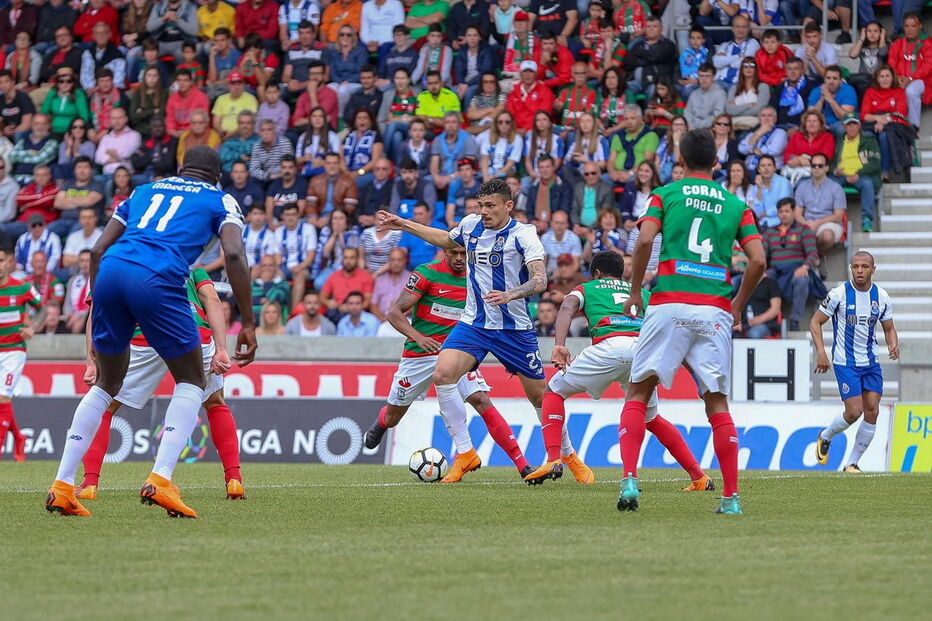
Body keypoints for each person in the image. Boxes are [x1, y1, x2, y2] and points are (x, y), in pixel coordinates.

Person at [45, 146, 256, 518]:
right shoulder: (219, 199)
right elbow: (235, 255)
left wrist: (99, 302)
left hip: (111, 273)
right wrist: (249, 323)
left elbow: (97, 249)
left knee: (105, 386)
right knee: (192, 380)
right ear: (217, 176)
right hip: (158, 279)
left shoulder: (143, 190)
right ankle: (161, 479)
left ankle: (63, 486)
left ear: (181, 168)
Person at [377, 179, 594, 484]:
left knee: (540, 396)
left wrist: (511, 294)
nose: (484, 211)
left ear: (508, 206)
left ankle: (569, 455)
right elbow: (444, 239)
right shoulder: (470, 225)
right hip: (475, 324)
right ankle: (465, 452)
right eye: (480, 205)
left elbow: (540, 279)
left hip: (513, 328)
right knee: (443, 374)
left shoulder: (524, 234)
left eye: (490, 206)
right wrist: (403, 224)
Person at [618, 128, 766, 515]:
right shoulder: (735, 204)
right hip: (714, 309)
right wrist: (737, 304)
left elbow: (644, 240)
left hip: (669, 302)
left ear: (680, 160)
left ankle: (629, 480)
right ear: (717, 162)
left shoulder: (665, 194)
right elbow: (758, 260)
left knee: (639, 393)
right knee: (717, 403)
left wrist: (635, 291)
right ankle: (730, 498)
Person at [529, 250, 715, 489]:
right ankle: (699, 477)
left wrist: (559, 345)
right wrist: (695, 374)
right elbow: (671, 330)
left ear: (597, 273)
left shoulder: (587, 287)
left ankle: (554, 458)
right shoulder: (642, 293)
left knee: (554, 391)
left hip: (609, 347)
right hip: (643, 353)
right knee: (651, 418)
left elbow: (566, 307)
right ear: (621, 272)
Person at [362, 245, 538, 482]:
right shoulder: (427, 273)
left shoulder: (478, 278)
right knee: (394, 416)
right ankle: (383, 422)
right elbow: (394, 312)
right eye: (453, 253)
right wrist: (419, 338)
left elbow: (492, 320)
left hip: (457, 352)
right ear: (444, 252)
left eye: (463, 254)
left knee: (481, 400)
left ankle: (523, 465)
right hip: (420, 354)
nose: (458, 258)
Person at [76, 266, 245, 501]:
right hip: (192, 334)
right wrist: (222, 349)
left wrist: (91, 361)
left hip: (144, 336)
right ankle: (234, 480)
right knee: (215, 402)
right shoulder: (190, 264)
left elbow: (97, 311)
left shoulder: (120, 262)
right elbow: (213, 300)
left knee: (105, 405)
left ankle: (89, 484)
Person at [812, 251, 899, 474]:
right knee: (854, 412)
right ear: (851, 268)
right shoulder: (839, 294)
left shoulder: (881, 296)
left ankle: (851, 463)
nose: (859, 271)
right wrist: (821, 352)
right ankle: (825, 436)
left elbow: (889, 327)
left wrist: (893, 343)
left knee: (872, 411)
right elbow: (815, 322)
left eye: (864, 267)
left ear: (873, 269)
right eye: (855, 266)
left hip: (871, 362)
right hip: (845, 362)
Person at [0, 247, 43, 462]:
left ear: (8, 262)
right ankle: (18, 437)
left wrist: (32, 327)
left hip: (13, 351)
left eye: (1, 261)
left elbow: (43, 308)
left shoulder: (22, 287)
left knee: (2, 397)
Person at [763, 198, 821, 331]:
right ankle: (769, 321)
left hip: (796, 269)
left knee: (802, 279)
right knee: (764, 278)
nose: (784, 214)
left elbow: (813, 254)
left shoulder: (804, 229)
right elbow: (762, 256)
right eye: (781, 211)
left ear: (794, 212)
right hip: (775, 271)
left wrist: (804, 267)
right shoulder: (770, 232)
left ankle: (795, 321)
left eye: (787, 211)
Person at [831, 115, 880, 232]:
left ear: (860, 126)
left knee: (867, 184)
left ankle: (867, 219)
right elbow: (830, 161)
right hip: (841, 175)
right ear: (844, 127)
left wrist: (858, 174)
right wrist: (835, 170)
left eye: (855, 124)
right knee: (829, 184)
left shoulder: (869, 140)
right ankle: (832, 218)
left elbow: (875, 163)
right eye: (849, 124)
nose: (852, 127)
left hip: (861, 175)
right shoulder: (838, 141)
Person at [794, 153, 846, 255]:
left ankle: (812, 258)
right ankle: (812, 259)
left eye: (820, 166)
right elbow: (797, 213)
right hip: (806, 222)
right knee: (791, 238)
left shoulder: (836, 188)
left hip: (829, 223)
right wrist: (806, 224)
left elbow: (838, 216)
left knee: (827, 237)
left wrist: (816, 223)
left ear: (826, 168)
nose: (816, 168)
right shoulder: (802, 186)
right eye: (814, 166)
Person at [887, 13, 930, 128]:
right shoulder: (898, 43)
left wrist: (910, 79)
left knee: (911, 91)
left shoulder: (928, 43)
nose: (910, 29)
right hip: (900, 79)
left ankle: (913, 125)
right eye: (907, 26)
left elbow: (928, 66)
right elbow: (891, 63)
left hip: (922, 80)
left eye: (913, 26)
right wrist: (897, 77)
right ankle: (891, 123)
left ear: (920, 26)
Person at [274, 202, 317, 308]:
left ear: (298, 215)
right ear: (282, 216)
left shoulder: (308, 229)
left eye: (293, 214)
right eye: (287, 215)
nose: (290, 218)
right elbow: (277, 255)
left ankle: (293, 312)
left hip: (304, 267)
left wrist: (299, 267)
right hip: (285, 267)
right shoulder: (278, 231)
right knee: (272, 275)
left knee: (299, 276)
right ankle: (276, 310)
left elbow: (311, 255)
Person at [623, 16, 676, 98]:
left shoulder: (668, 44)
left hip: (656, 83)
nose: (651, 29)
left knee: (653, 91)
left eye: (654, 26)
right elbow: (628, 62)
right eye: (648, 27)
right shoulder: (639, 44)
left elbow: (655, 57)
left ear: (662, 29)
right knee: (621, 89)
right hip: (636, 82)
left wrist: (640, 56)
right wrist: (647, 56)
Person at [52, 157, 105, 239]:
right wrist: (81, 200)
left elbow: (88, 202)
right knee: (46, 233)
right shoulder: (68, 184)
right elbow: (57, 203)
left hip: (85, 222)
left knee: (73, 237)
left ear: (91, 170)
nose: (82, 170)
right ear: (74, 170)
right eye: (79, 167)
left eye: (85, 167)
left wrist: (68, 199)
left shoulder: (97, 185)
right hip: (64, 220)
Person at [320, 246, 374, 322]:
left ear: (357, 259)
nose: (348, 261)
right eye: (345, 258)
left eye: (352, 258)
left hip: (357, 312)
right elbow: (322, 297)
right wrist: (328, 302)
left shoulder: (365, 276)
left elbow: (367, 302)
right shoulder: (334, 276)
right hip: (337, 310)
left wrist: (351, 307)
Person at [608, 105, 658, 186]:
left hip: (638, 174)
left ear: (640, 118)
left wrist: (630, 173)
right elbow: (611, 160)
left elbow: (647, 161)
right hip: (618, 173)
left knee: (633, 182)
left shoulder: (650, 135)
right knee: (600, 181)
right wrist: (612, 172)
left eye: (632, 118)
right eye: (626, 119)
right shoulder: (618, 135)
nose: (629, 122)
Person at [782, 110, 835, 186]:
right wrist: (796, 159)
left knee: (801, 183)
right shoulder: (797, 135)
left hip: (816, 171)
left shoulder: (827, 137)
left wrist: (805, 161)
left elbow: (825, 157)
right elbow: (787, 154)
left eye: (814, 121)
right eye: (808, 121)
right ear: (805, 124)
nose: (811, 124)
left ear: (820, 124)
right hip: (795, 168)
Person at [306, 152, 359, 227]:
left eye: (335, 163)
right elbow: (311, 204)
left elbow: (349, 208)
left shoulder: (349, 182)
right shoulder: (315, 181)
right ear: (324, 165)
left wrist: (329, 218)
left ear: (339, 165)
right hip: (318, 217)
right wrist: (313, 217)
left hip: (338, 219)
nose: (332, 166)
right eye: (329, 163)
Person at [429, 112, 478, 192]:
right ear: (444, 124)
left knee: (454, 182)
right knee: (427, 181)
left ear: (459, 124)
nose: (450, 125)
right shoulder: (437, 140)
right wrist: (436, 177)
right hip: (442, 174)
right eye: (448, 122)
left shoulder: (468, 139)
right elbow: (434, 163)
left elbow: (469, 166)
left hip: (461, 174)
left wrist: (448, 178)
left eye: (453, 122)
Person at [505, 60, 554, 136]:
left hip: (536, 130)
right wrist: (514, 129)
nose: (528, 74)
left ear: (536, 74)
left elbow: (544, 116)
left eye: (531, 71)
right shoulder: (513, 92)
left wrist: (526, 129)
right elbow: (509, 114)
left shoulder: (545, 92)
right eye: (525, 71)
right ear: (520, 74)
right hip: (515, 130)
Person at [712, 16, 761, 90]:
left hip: (739, 83)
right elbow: (716, 62)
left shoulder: (753, 43)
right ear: (733, 29)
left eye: (744, 27)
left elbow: (744, 64)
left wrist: (725, 60)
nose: (740, 30)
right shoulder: (725, 45)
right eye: (738, 26)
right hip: (720, 81)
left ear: (748, 29)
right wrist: (738, 56)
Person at [524, 154, 569, 233]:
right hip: (535, 225)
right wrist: (533, 221)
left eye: (547, 167)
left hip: (555, 227)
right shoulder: (534, 187)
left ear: (553, 167)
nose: (545, 170)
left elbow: (564, 210)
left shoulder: (563, 186)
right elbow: (529, 209)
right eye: (542, 167)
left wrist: (548, 224)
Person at [769, 58, 816, 128]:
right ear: (785, 71)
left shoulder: (811, 87)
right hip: (780, 126)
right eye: (789, 69)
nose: (792, 72)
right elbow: (772, 108)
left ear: (802, 71)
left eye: (796, 69)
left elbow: (811, 112)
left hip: (802, 127)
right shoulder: (779, 88)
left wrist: (799, 128)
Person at [725, 57, 770, 131]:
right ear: (741, 69)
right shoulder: (734, 88)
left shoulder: (763, 87)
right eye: (745, 66)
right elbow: (729, 110)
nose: (748, 69)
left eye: (752, 66)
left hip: (753, 124)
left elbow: (759, 110)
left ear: (756, 69)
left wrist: (736, 109)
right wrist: (748, 105)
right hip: (734, 123)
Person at [738, 106, 787, 172]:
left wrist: (753, 151)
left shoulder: (780, 132)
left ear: (775, 119)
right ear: (759, 119)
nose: (766, 118)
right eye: (763, 115)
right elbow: (741, 149)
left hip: (771, 171)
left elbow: (775, 150)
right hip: (749, 170)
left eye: (770, 115)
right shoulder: (753, 134)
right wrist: (758, 134)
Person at [94, 108, 141, 177]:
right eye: (114, 118)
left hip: (125, 176)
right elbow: (98, 158)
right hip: (107, 175)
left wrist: (109, 153)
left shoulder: (134, 135)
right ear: (110, 120)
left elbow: (125, 154)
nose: (117, 121)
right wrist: (117, 158)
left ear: (126, 119)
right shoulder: (106, 138)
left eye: (120, 118)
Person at [748, 154, 791, 229]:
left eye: (769, 165)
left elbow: (783, 205)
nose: (766, 168)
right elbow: (757, 213)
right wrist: (759, 188)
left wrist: (766, 213)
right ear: (759, 170)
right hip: (762, 225)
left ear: (775, 168)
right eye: (763, 165)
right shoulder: (755, 188)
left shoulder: (784, 182)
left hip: (780, 223)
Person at [165, 70, 210, 138]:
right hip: (175, 134)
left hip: (196, 133)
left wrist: (186, 132)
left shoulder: (201, 97)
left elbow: (204, 120)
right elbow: (169, 119)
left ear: (191, 82)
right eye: (179, 80)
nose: (182, 83)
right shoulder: (172, 98)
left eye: (185, 80)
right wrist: (172, 131)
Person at [571, 162, 613, 233]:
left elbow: (604, 214)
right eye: (586, 174)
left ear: (599, 173)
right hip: (579, 227)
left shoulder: (606, 189)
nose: (590, 176)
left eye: (593, 173)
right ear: (583, 176)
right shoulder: (578, 187)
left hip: (597, 228)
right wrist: (576, 225)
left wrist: (589, 229)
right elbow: (574, 209)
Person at [265, 155, 307, 225]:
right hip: (275, 221)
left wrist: (281, 225)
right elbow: (269, 210)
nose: (287, 171)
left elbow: (300, 212)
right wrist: (271, 223)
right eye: (284, 167)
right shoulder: (274, 184)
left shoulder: (302, 185)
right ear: (280, 169)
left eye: (290, 167)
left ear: (295, 169)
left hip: (295, 221)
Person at [249, 119, 294, 184]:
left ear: (274, 131)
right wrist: (269, 176)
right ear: (259, 133)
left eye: (269, 130)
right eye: (263, 130)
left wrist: (273, 175)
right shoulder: (256, 146)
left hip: (281, 177)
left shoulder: (284, 142)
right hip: (265, 178)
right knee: (252, 180)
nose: (266, 133)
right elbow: (253, 170)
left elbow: (288, 165)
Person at [738, 273, 782, 338]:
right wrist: (737, 322)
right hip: (744, 323)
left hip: (765, 323)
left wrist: (759, 319)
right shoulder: (742, 285)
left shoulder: (771, 283)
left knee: (755, 333)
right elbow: (736, 306)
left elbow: (775, 309)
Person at [684, 64, 726, 131]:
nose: (704, 79)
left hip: (711, 130)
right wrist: (691, 126)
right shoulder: (693, 94)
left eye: (707, 76)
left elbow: (717, 117)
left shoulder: (721, 94)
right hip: (692, 130)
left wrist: (697, 125)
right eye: (701, 76)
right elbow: (687, 114)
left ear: (713, 77)